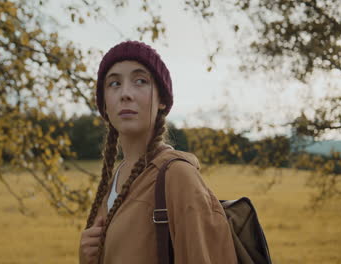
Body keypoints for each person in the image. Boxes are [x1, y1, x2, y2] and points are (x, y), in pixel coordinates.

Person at [79, 41, 237, 264]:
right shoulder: (115, 179)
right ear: (105, 105)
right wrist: (87, 256)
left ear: (162, 99)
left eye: (140, 81)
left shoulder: (178, 176)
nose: (125, 93)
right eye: (114, 83)